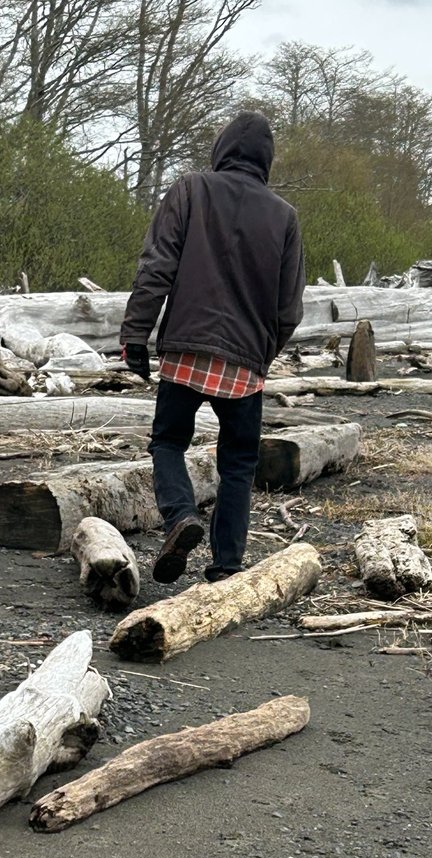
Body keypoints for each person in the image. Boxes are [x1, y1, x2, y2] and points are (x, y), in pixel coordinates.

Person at [119, 110, 305, 584]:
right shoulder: (284, 217)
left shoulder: (190, 190)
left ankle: (181, 515)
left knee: (167, 442)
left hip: (185, 352)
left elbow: (155, 267)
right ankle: (226, 568)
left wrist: (135, 336)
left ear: (222, 148)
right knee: (239, 465)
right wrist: (263, 355)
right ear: (267, 159)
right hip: (245, 366)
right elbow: (289, 311)